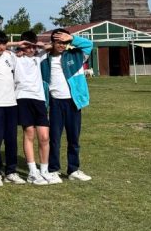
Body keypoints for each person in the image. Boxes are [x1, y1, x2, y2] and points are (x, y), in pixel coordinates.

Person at [40, 28, 94, 182]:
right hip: (55, 103)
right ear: (52, 42)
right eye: (58, 42)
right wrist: (46, 47)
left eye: (64, 42)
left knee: (74, 138)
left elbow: (89, 44)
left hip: (73, 103)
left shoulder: (76, 55)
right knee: (54, 138)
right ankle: (53, 169)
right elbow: (32, 49)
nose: (62, 45)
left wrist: (72, 38)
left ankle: (73, 170)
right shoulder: (44, 59)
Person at [0, 29, 25, 187]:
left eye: (3, 44)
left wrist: (15, 47)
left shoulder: (10, 56)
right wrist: (14, 43)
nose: (1, 47)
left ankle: (11, 171)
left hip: (11, 104)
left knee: (11, 140)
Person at [13, 31, 51, 186]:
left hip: (39, 99)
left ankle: (44, 170)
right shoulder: (15, 57)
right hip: (22, 98)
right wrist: (17, 47)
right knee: (29, 133)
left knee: (44, 136)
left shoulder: (38, 56)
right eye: (27, 46)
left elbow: (51, 47)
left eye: (32, 46)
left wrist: (39, 45)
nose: (30, 49)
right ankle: (32, 172)